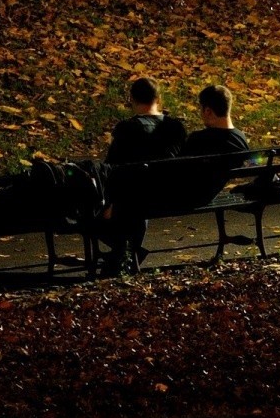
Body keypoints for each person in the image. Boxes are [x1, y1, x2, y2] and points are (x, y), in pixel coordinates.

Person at [98, 77, 185, 272]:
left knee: (89, 213)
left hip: (135, 197)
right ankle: (127, 252)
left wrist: (111, 201)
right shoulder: (176, 127)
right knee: (138, 191)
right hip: (169, 193)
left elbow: (112, 169)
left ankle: (125, 250)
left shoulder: (128, 128)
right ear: (158, 98)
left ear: (132, 99)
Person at [171, 83, 252, 208]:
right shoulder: (240, 138)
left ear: (208, 111)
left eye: (201, 109)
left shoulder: (199, 139)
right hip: (209, 195)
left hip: (186, 197)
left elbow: (177, 170)